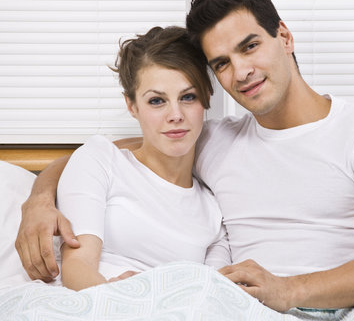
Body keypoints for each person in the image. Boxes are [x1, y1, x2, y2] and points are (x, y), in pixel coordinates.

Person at [16, 0, 354, 311]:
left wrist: (286, 290)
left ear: (284, 36)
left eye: (249, 46)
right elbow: (106, 152)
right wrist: (39, 201)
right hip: (247, 310)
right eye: (222, 63)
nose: (241, 72)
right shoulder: (214, 138)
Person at [26, 26, 229, 291]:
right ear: (132, 106)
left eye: (188, 97)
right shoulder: (101, 160)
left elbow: (214, 293)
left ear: (206, 99)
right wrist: (122, 297)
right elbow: (77, 268)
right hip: (96, 302)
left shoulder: (213, 211)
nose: (176, 114)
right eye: (157, 101)